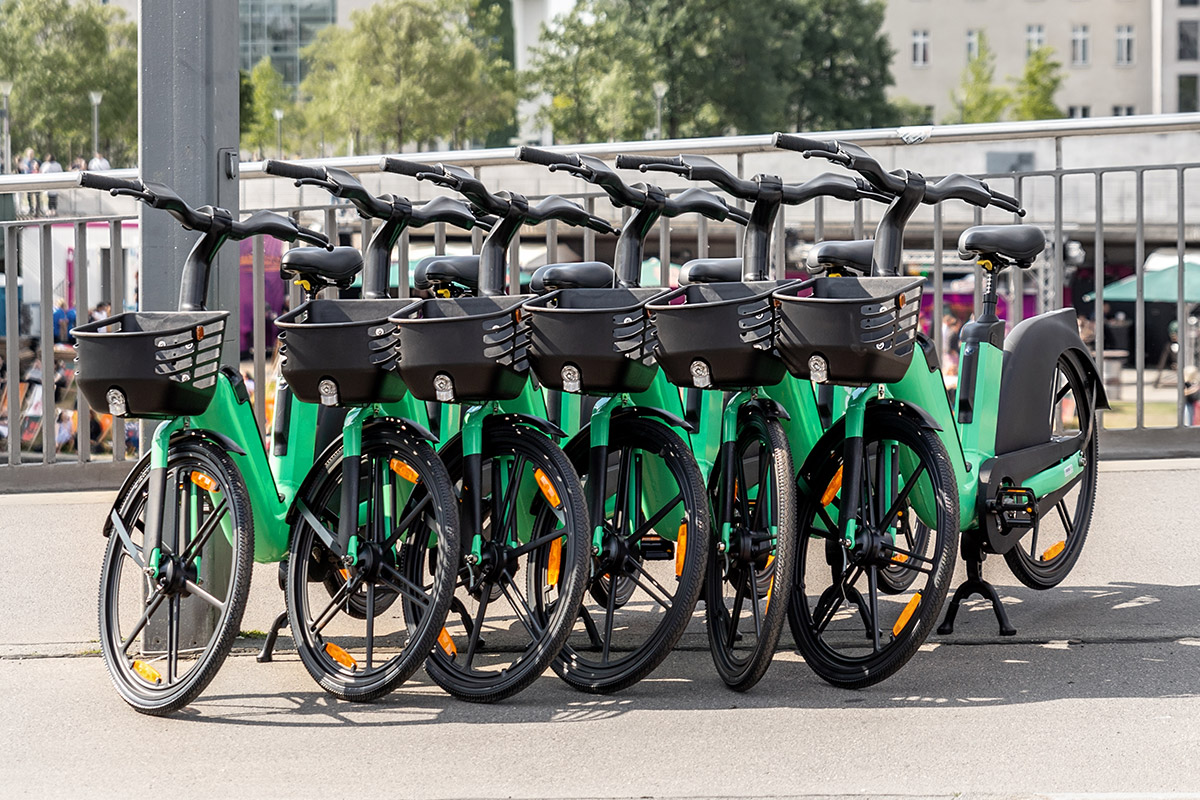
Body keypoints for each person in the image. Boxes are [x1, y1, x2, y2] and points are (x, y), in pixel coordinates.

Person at [18, 148, 40, 216]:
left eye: (32, 153)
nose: (30, 155)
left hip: (36, 180)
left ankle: (37, 210)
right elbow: (21, 169)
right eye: (29, 154)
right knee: (29, 196)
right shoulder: (24, 161)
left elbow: (39, 169)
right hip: (27, 180)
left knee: (37, 195)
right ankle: (31, 209)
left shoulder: (36, 161)